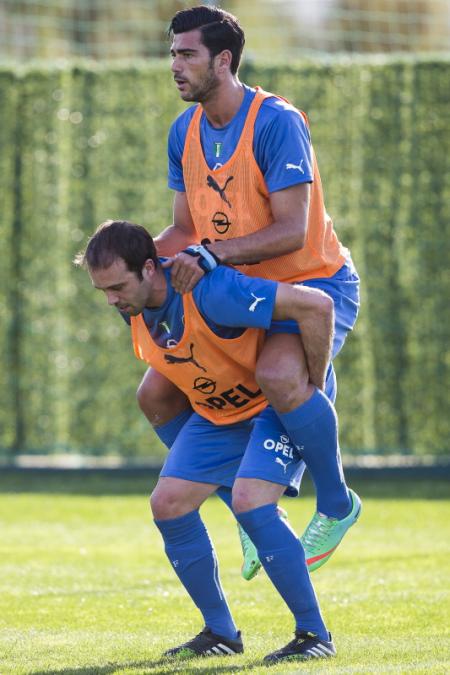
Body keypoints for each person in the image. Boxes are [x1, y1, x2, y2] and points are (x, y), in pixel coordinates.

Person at [137, 4, 361, 577]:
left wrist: (209, 256)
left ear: (224, 59)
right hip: (239, 288)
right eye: (172, 54)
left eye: (186, 54)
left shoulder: (275, 121)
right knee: (156, 396)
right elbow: (185, 229)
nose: (175, 65)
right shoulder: (183, 130)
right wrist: (136, 264)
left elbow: (290, 230)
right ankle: (248, 500)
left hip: (313, 283)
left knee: (281, 376)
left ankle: (336, 502)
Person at [76, 218, 343, 663]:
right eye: (102, 291)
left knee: (251, 504)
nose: (111, 300)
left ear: (148, 268)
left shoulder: (210, 290)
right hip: (220, 414)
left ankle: (315, 635)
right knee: (168, 503)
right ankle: (221, 634)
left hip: (272, 408)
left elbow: (315, 306)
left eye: (117, 287)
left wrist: (308, 394)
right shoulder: (134, 307)